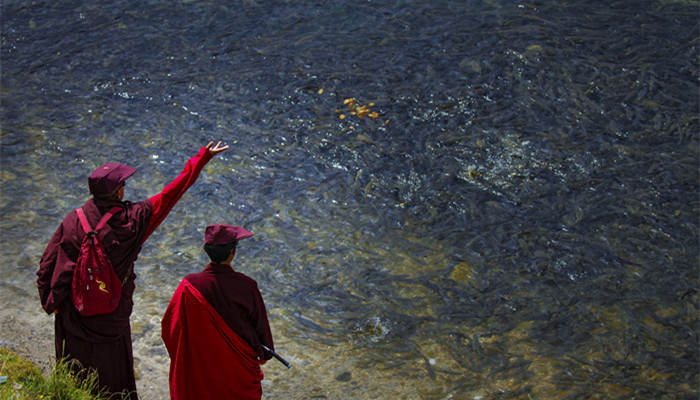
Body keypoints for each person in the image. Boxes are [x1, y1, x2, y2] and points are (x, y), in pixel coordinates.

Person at [36, 141, 229, 399]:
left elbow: (47, 267)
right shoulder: (133, 220)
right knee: (114, 382)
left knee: (75, 381)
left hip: (75, 318)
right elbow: (172, 193)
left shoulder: (73, 220)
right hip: (112, 317)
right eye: (123, 185)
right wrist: (201, 159)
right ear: (117, 192)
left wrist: (51, 304)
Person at [161, 223, 274, 400]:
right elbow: (260, 326)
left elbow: (169, 327)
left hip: (201, 366)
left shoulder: (188, 285)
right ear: (233, 252)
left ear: (206, 250)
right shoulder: (247, 286)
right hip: (237, 369)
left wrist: (188, 354)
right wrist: (266, 353)